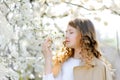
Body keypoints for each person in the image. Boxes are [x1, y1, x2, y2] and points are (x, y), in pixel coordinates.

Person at [42, 18, 114, 80]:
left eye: (71, 32)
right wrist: (48, 58)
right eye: (66, 32)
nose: (66, 36)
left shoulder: (98, 67)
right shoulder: (63, 62)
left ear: (83, 35)